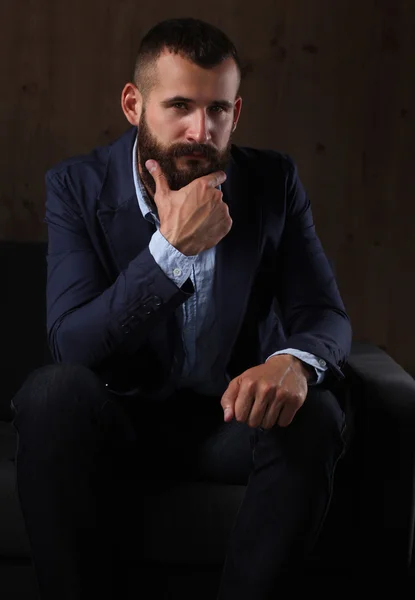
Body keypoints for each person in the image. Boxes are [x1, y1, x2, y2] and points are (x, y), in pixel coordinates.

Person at [10, 17, 352, 600]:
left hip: (229, 420)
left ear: (236, 113)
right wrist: (171, 252)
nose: (201, 130)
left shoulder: (274, 183)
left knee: (314, 412)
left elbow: (324, 313)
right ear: (133, 104)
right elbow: (72, 344)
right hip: (119, 420)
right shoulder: (75, 186)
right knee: (50, 393)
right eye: (179, 106)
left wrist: (292, 363)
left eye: (218, 109)